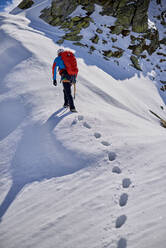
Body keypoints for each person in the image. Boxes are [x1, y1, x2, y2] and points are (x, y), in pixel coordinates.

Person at [52, 48, 78, 112]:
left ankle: (72, 107)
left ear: (58, 53)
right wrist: (74, 78)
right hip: (72, 77)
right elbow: (75, 67)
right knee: (65, 90)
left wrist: (54, 79)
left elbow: (54, 69)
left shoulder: (57, 59)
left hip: (65, 76)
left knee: (68, 92)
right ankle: (66, 103)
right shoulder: (69, 57)